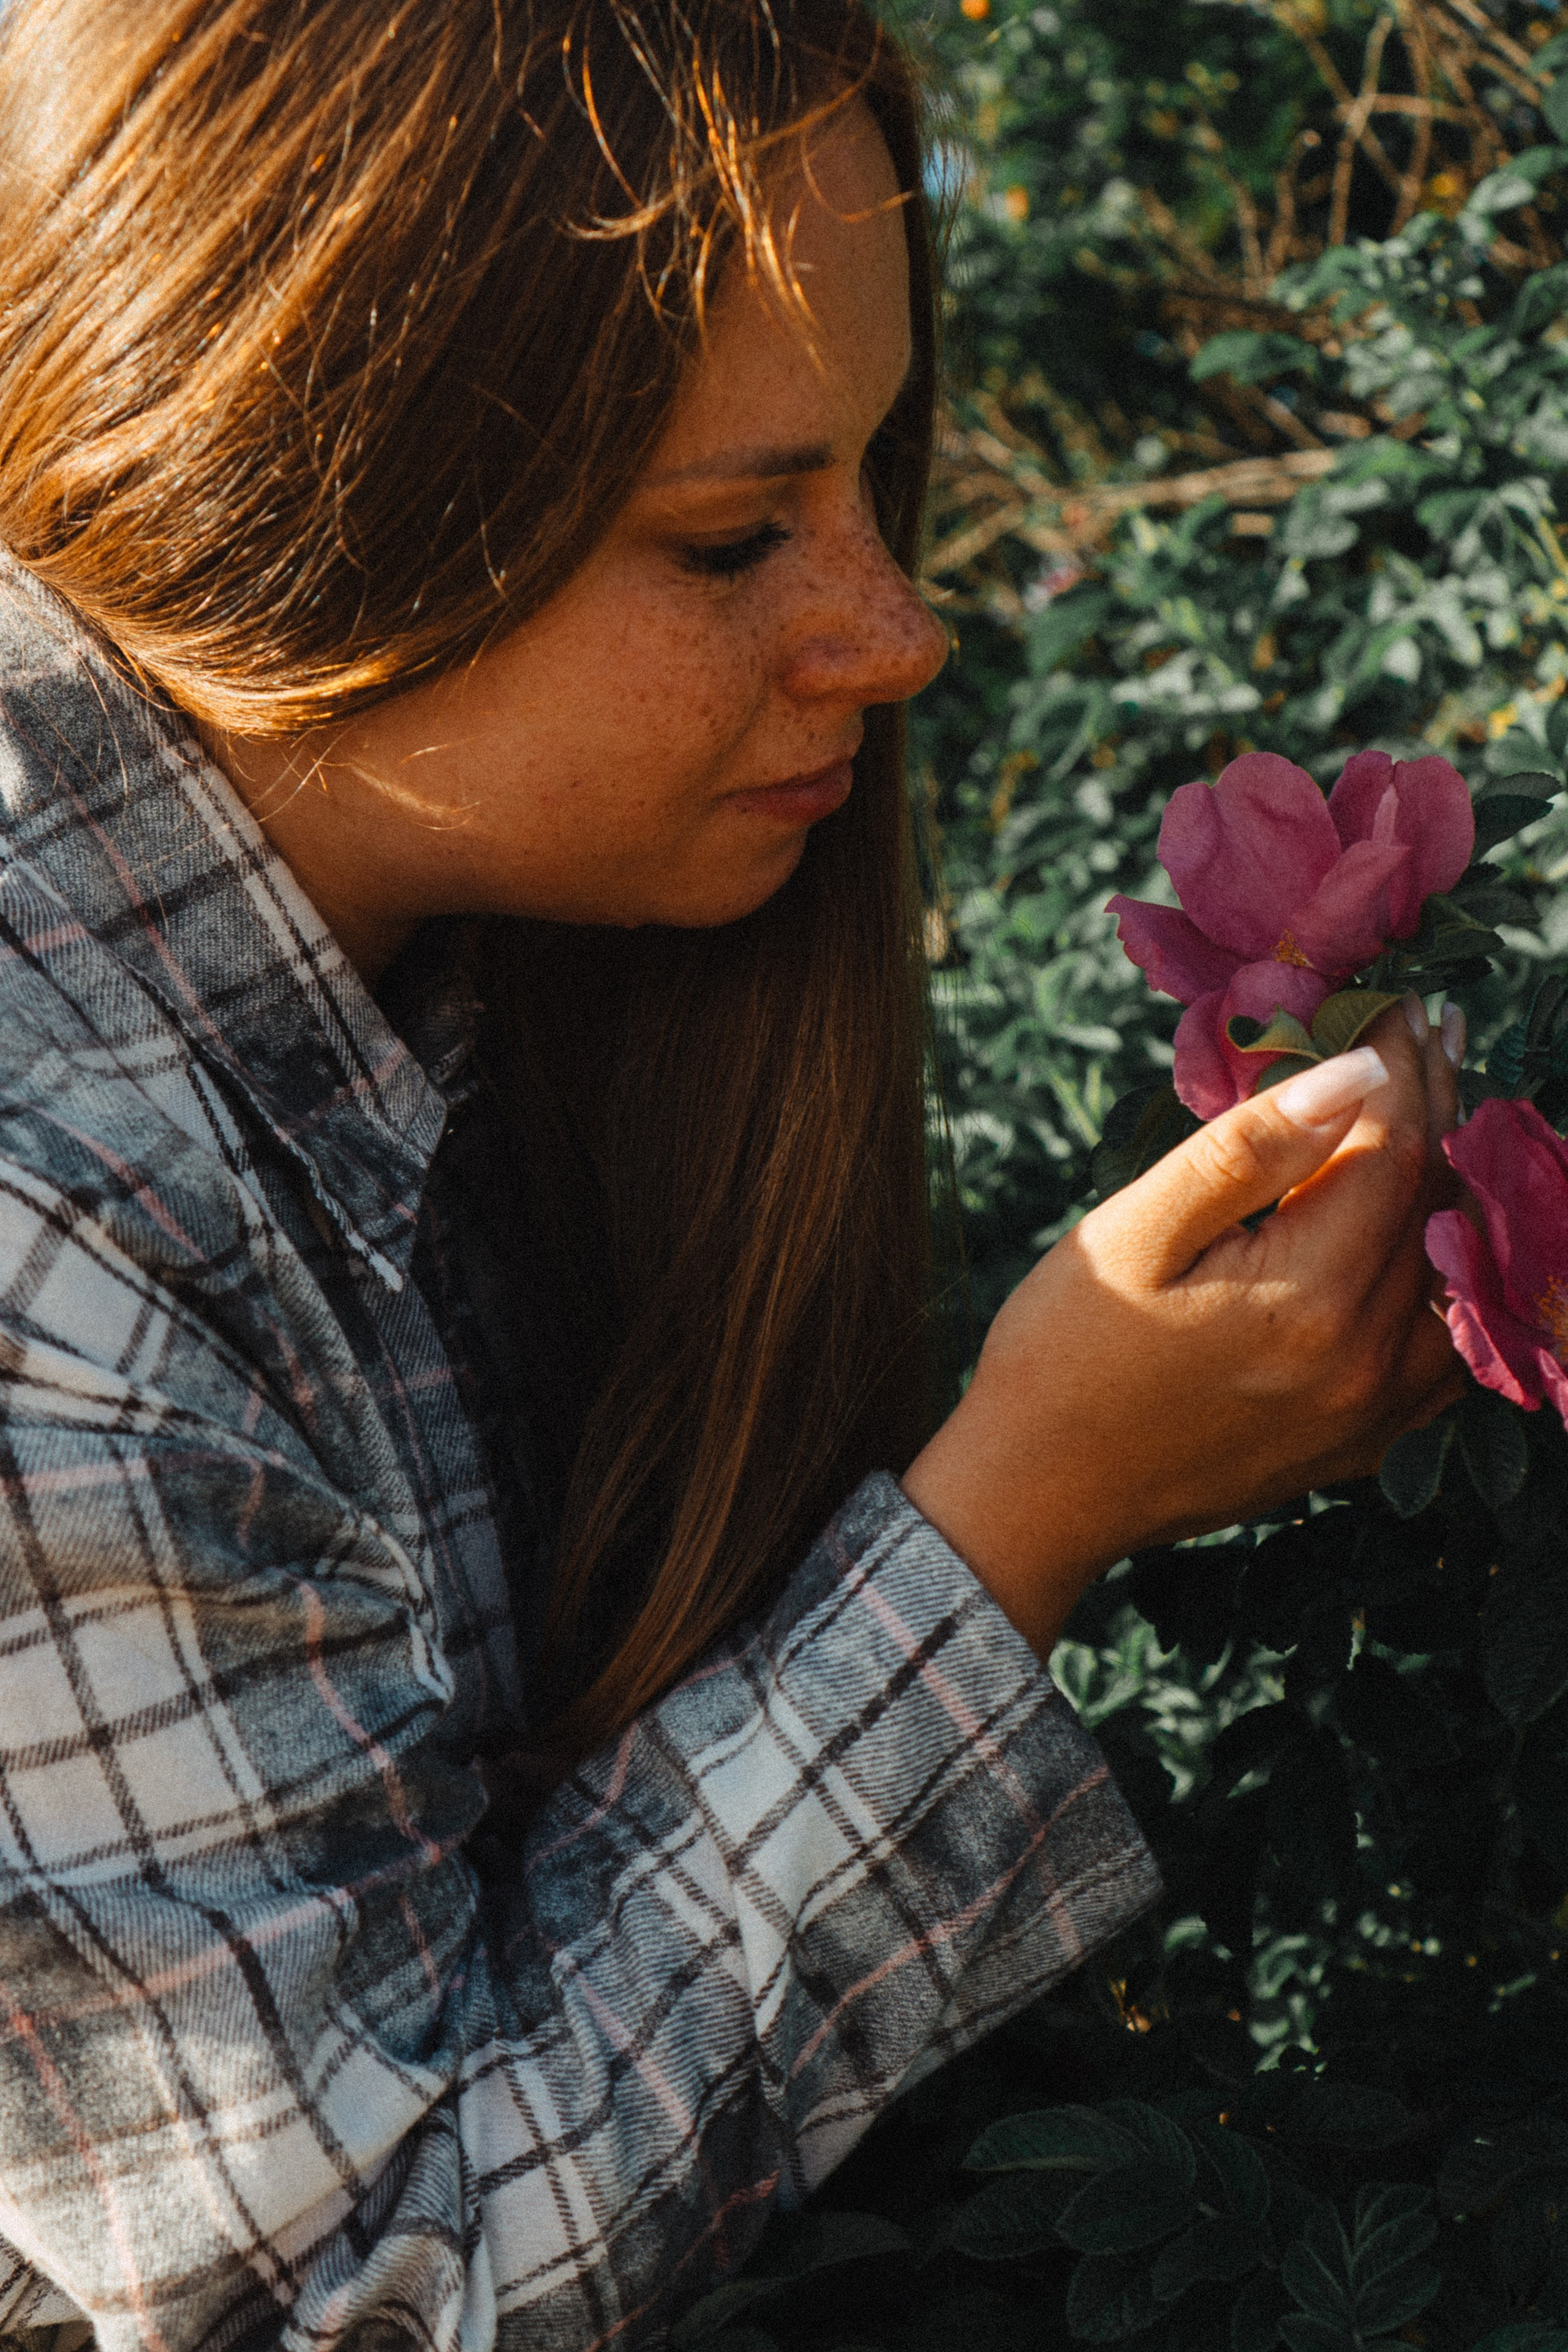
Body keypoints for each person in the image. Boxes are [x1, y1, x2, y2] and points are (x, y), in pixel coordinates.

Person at [0, 3, 1461, 2348]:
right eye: (731, 533)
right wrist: (1024, 1508)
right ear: (293, 488)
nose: (898, 632)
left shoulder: (438, 965)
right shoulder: (47, 1217)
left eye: (875, 478)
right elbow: (377, 2297)